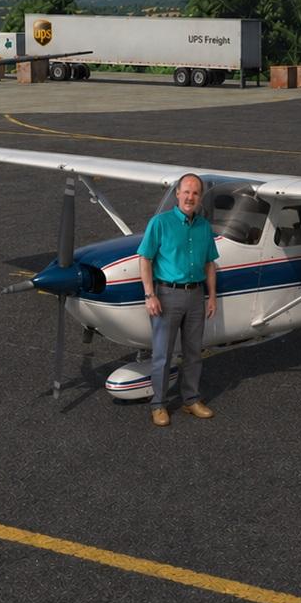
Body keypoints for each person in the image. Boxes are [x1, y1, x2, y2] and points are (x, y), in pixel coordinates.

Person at [137, 173, 219, 427]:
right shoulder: (159, 223)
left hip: (196, 295)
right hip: (166, 295)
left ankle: (191, 399)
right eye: (186, 192)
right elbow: (145, 259)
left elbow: (209, 264)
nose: (190, 197)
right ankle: (159, 405)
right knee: (162, 354)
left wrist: (211, 296)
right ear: (177, 194)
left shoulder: (204, 227)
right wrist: (150, 295)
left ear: (199, 197)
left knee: (194, 352)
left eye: (195, 193)